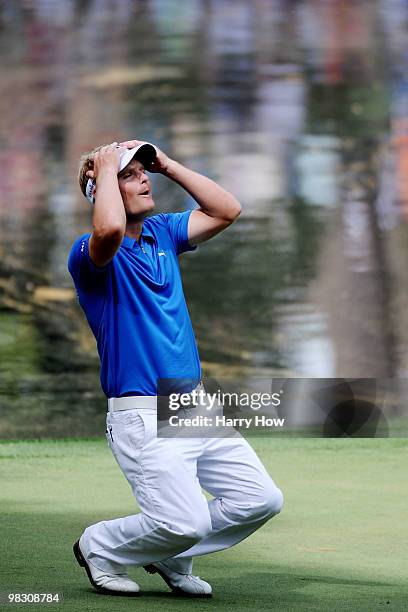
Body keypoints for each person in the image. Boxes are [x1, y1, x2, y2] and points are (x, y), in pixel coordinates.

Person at [68, 139, 284, 598]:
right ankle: (100, 545)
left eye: (143, 171)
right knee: (183, 520)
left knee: (259, 500)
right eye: (130, 174)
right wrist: (104, 168)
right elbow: (107, 231)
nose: (143, 178)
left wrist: (166, 164)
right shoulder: (89, 254)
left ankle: (168, 552)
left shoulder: (163, 232)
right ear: (102, 188)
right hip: (141, 412)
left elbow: (227, 210)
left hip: (191, 405)